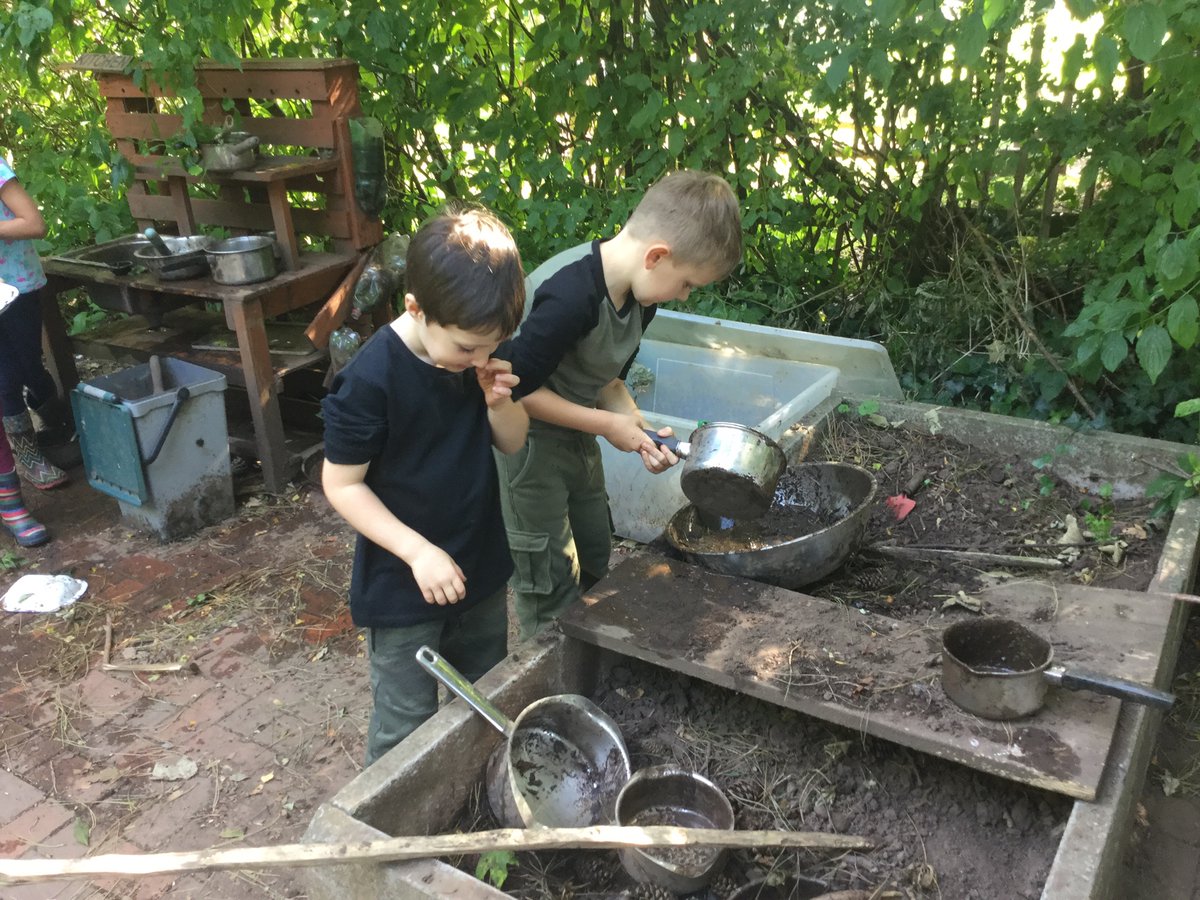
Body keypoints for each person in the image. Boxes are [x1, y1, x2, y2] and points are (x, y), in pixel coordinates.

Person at [321, 204, 528, 767]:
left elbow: (511, 441)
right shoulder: (369, 381)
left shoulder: (471, 353)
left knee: (485, 692)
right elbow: (341, 485)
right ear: (416, 309)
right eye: (468, 348)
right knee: (406, 726)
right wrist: (417, 552)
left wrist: (499, 400)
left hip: (478, 566)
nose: (481, 359)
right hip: (402, 585)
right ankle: (383, 843)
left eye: (493, 346)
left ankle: (476, 795)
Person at [496, 169, 743, 639]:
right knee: (548, 573)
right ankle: (549, 674)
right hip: (525, 443)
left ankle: (588, 646)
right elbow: (516, 390)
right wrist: (607, 425)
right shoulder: (570, 295)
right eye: (687, 283)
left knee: (593, 548)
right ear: (656, 256)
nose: (685, 296)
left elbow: (608, 379)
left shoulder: (641, 297)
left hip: (580, 430)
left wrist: (634, 424)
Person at [0, 158, 70, 490]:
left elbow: (34, 224)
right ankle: (29, 456)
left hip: (17, 287)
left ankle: (58, 428)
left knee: (30, 368)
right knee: (5, 377)